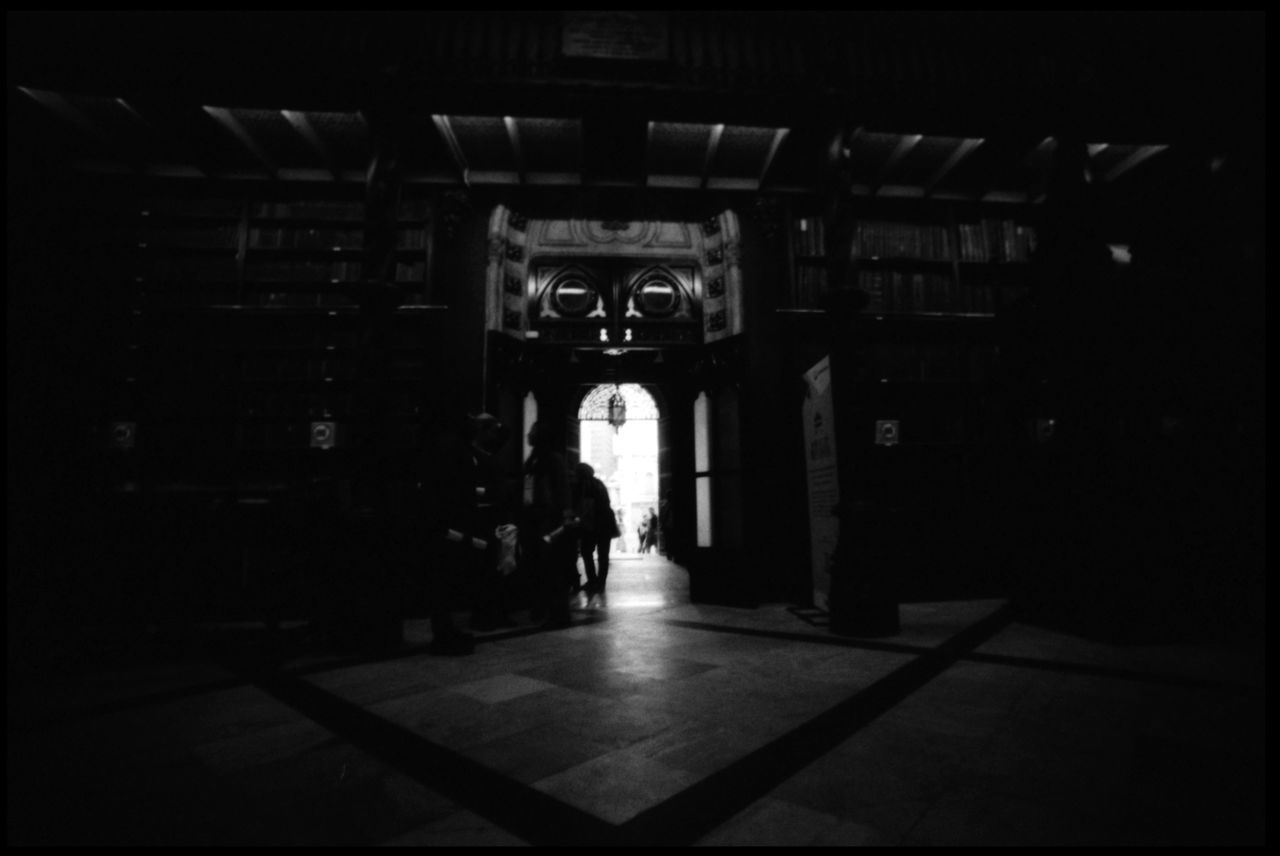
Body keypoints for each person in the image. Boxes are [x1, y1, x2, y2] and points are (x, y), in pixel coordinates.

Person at [520, 420, 576, 627]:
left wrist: (564, 519)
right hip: (535, 519)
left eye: (534, 431)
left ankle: (558, 613)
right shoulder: (534, 459)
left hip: (548, 521)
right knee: (539, 567)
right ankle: (543, 607)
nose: (529, 434)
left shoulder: (553, 459)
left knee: (553, 568)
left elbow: (562, 492)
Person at [572, 462, 620, 596]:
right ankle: (600, 582)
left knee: (587, 552)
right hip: (605, 524)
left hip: (592, 525)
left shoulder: (585, 486)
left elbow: (586, 508)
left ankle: (593, 580)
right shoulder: (599, 484)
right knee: (603, 555)